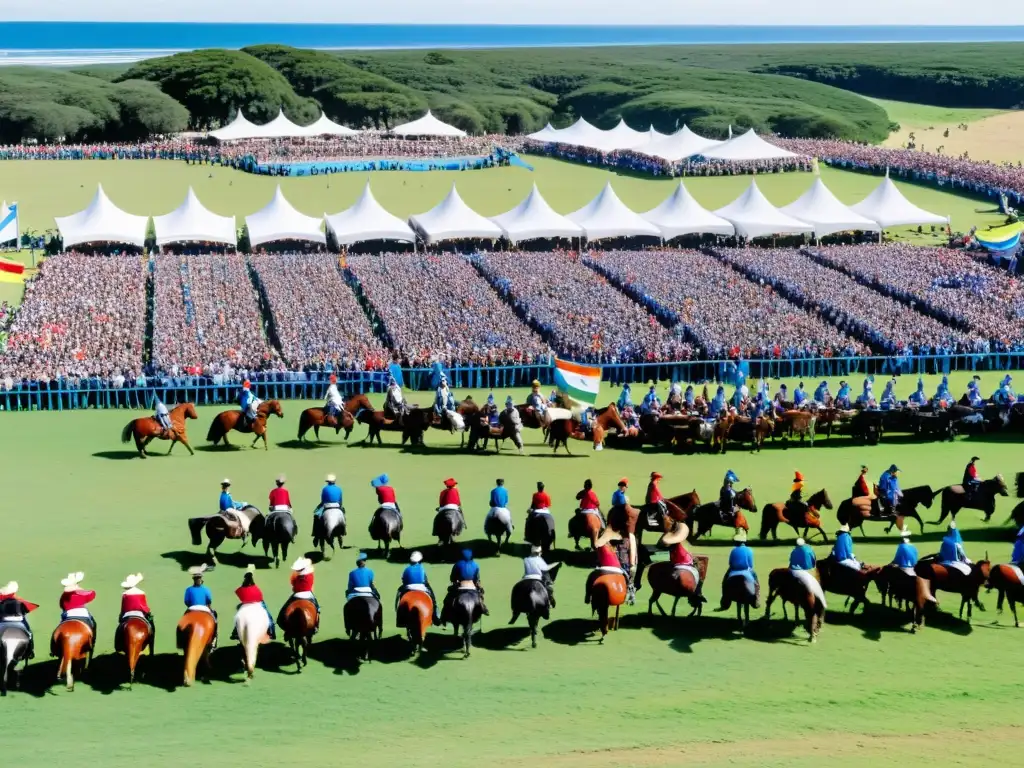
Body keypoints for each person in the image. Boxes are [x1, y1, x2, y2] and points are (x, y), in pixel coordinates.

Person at [585, 529, 632, 605]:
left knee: (590, 578)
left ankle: (587, 596)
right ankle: (629, 593)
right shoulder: (612, 546)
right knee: (628, 579)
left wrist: (595, 535)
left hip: (605, 569)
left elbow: (594, 545)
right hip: (618, 569)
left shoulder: (600, 544)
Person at [662, 521, 704, 603]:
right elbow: (686, 555)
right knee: (699, 574)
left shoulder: (671, 545)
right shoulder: (682, 543)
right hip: (685, 565)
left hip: (675, 565)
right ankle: (698, 592)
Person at [233, 566, 275, 641]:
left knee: (238, 617)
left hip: (247, 605)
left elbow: (238, 594)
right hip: (258, 603)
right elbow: (260, 596)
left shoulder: (242, 588)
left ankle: (235, 632)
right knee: (269, 617)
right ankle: (272, 631)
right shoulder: (255, 587)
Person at [717, 531, 757, 609]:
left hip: (734, 572)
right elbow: (751, 565)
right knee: (756, 581)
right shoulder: (750, 550)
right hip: (746, 571)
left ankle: (725, 603)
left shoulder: (733, 550)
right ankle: (755, 601)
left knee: (724, 583)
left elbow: (730, 563)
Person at [278, 557, 319, 633]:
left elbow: (293, 584)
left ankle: (283, 624)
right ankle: (316, 625)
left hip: (297, 595)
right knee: (317, 607)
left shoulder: (295, 576)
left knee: (284, 609)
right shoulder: (310, 575)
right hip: (308, 594)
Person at [397, 551, 440, 624]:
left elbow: (404, 580)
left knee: (401, 598)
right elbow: (425, 580)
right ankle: (435, 616)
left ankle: (400, 618)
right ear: (420, 561)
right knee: (432, 598)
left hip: (408, 587)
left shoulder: (407, 569)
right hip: (422, 587)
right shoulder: (422, 569)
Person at [0, 581, 38, 658]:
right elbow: (25, 612)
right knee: (29, 634)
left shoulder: (1, 601)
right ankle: (30, 651)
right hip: (18, 622)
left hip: (3, 622)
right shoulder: (20, 601)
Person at [448, 548, 489, 616]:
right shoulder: (475, 565)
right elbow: (477, 578)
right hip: (472, 586)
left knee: (449, 598)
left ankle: (446, 614)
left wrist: (455, 581)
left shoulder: (457, 564)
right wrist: (479, 586)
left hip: (461, 586)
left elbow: (452, 577)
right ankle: (483, 608)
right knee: (480, 596)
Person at [789, 538, 827, 608]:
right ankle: (823, 603)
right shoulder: (809, 550)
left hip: (795, 571)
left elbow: (791, 562)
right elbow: (813, 561)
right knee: (818, 587)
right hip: (808, 571)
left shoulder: (794, 551)